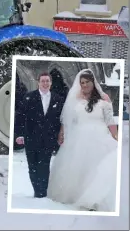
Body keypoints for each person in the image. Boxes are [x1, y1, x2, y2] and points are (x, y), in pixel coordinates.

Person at [47, 69, 118, 212]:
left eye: (87, 82)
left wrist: (116, 137)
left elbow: (110, 121)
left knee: (97, 168)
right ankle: (76, 196)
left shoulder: (104, 99)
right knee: (78, 168)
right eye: (82, 83)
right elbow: (68, 120)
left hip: (100, 138)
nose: (85, 85)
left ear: (93, 83)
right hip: (78, 139)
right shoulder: (75, 99)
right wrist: (62, 133)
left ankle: (94, 198)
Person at [16, 72, 65, 198]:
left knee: (44, 166)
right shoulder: (28, 97)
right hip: (31, 138)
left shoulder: (57, 99)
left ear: (51, 83)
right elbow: (21, 116)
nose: (45, 83)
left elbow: (60, 119)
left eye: (47, 81)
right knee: (32, 166)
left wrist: (60, 135)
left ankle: (42, 193)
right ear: (38, 82)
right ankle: (37, 190)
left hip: (48, 139)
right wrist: (20, 134)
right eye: (42, 81)